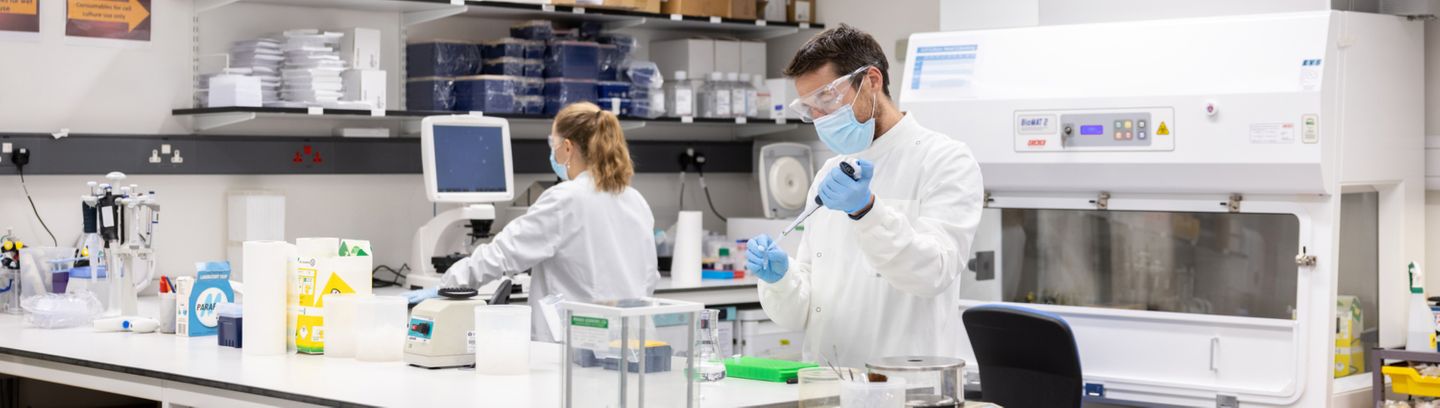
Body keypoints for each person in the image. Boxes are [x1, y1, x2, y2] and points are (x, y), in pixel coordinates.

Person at [746, 24, 985, 367]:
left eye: (826, 98)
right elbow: (803, 312)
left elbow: (933, 272)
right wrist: (781, 279)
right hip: (826, 384)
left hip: (905, 386)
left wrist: (867, 211)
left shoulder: (945, 160)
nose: (819, 118)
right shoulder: (828, 173)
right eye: (810, 107)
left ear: (872, 80)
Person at [406, 102, 660, 341]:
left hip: (580, 348)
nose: (553, 151)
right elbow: (649, 278)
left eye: (554, 143)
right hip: (630, 343)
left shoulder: (566, 198)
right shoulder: (635, 199)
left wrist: (445, 286)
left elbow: (500, 256)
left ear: (568, 148)